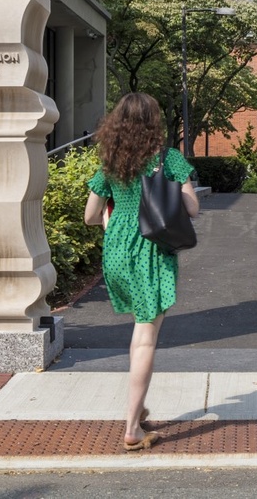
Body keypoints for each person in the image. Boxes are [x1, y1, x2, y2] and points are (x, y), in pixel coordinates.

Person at [83, 92, 199, 451]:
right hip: (151, 251)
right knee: (147, 336)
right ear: (154, 122)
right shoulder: (169, 158)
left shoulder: (111, 161)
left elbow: (90, 215)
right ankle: (132, 428)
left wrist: (108, 220)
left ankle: (139, 405)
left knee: (139, 330)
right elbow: (192, 209)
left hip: (116, 253)